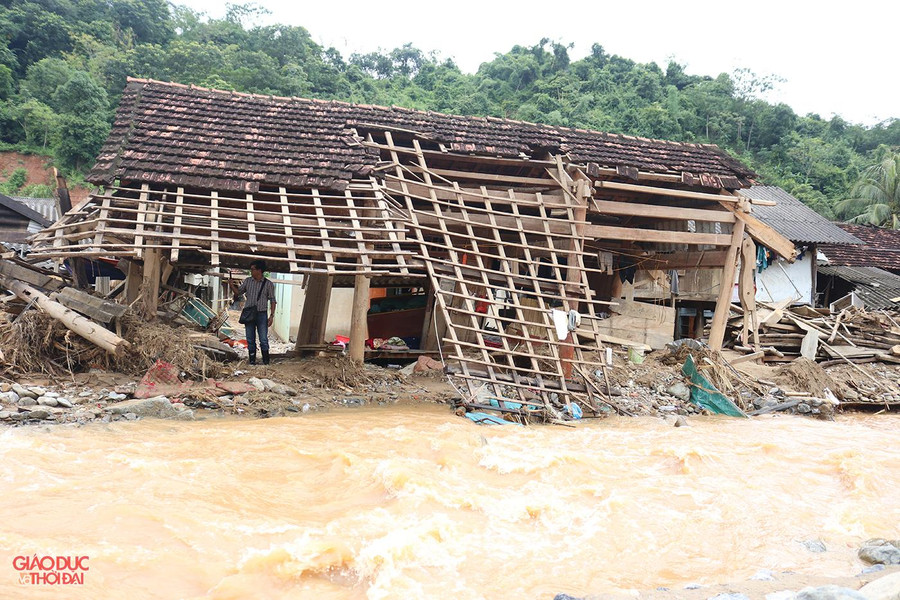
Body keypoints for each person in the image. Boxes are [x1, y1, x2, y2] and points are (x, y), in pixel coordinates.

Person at [231, 260, 276, 365]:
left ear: (259, 270)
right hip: (249, 313)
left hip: (262, 314)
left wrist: (271, 316)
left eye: (252, 269)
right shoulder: (248, 281)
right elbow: (238, 292)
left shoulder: (268, 284)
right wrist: (231, 285)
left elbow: (273, 300)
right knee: (250, 338)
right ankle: (252, 361)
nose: (251, 271)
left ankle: (266, 361)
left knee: (263, 339)